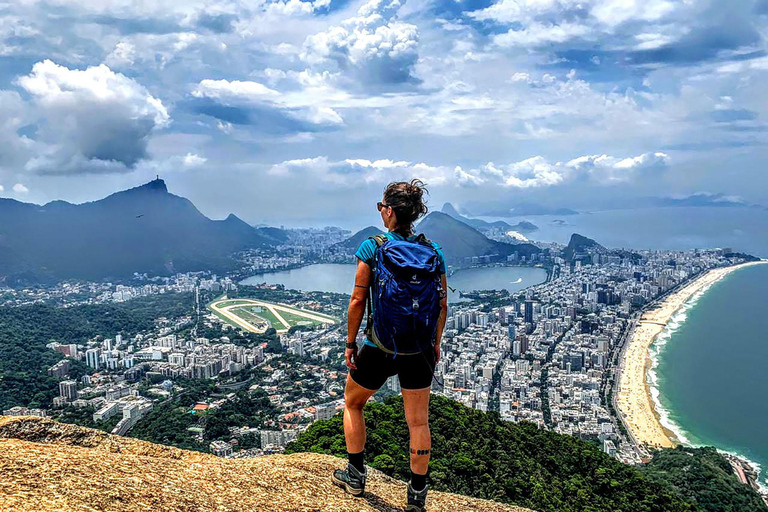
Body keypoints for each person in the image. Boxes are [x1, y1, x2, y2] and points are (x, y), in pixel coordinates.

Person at [331, 179, 448, 512]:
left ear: (391, 211)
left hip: (379, 345)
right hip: (420, 349)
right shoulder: (433, 251)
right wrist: (434, 345)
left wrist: (350, 343)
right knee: (418, 422)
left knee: (353, 403)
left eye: (381, 206)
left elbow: (357, 300)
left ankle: (355, 475)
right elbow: (442, 305)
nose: (380, 211)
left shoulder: (374, 246)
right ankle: (416, 496)